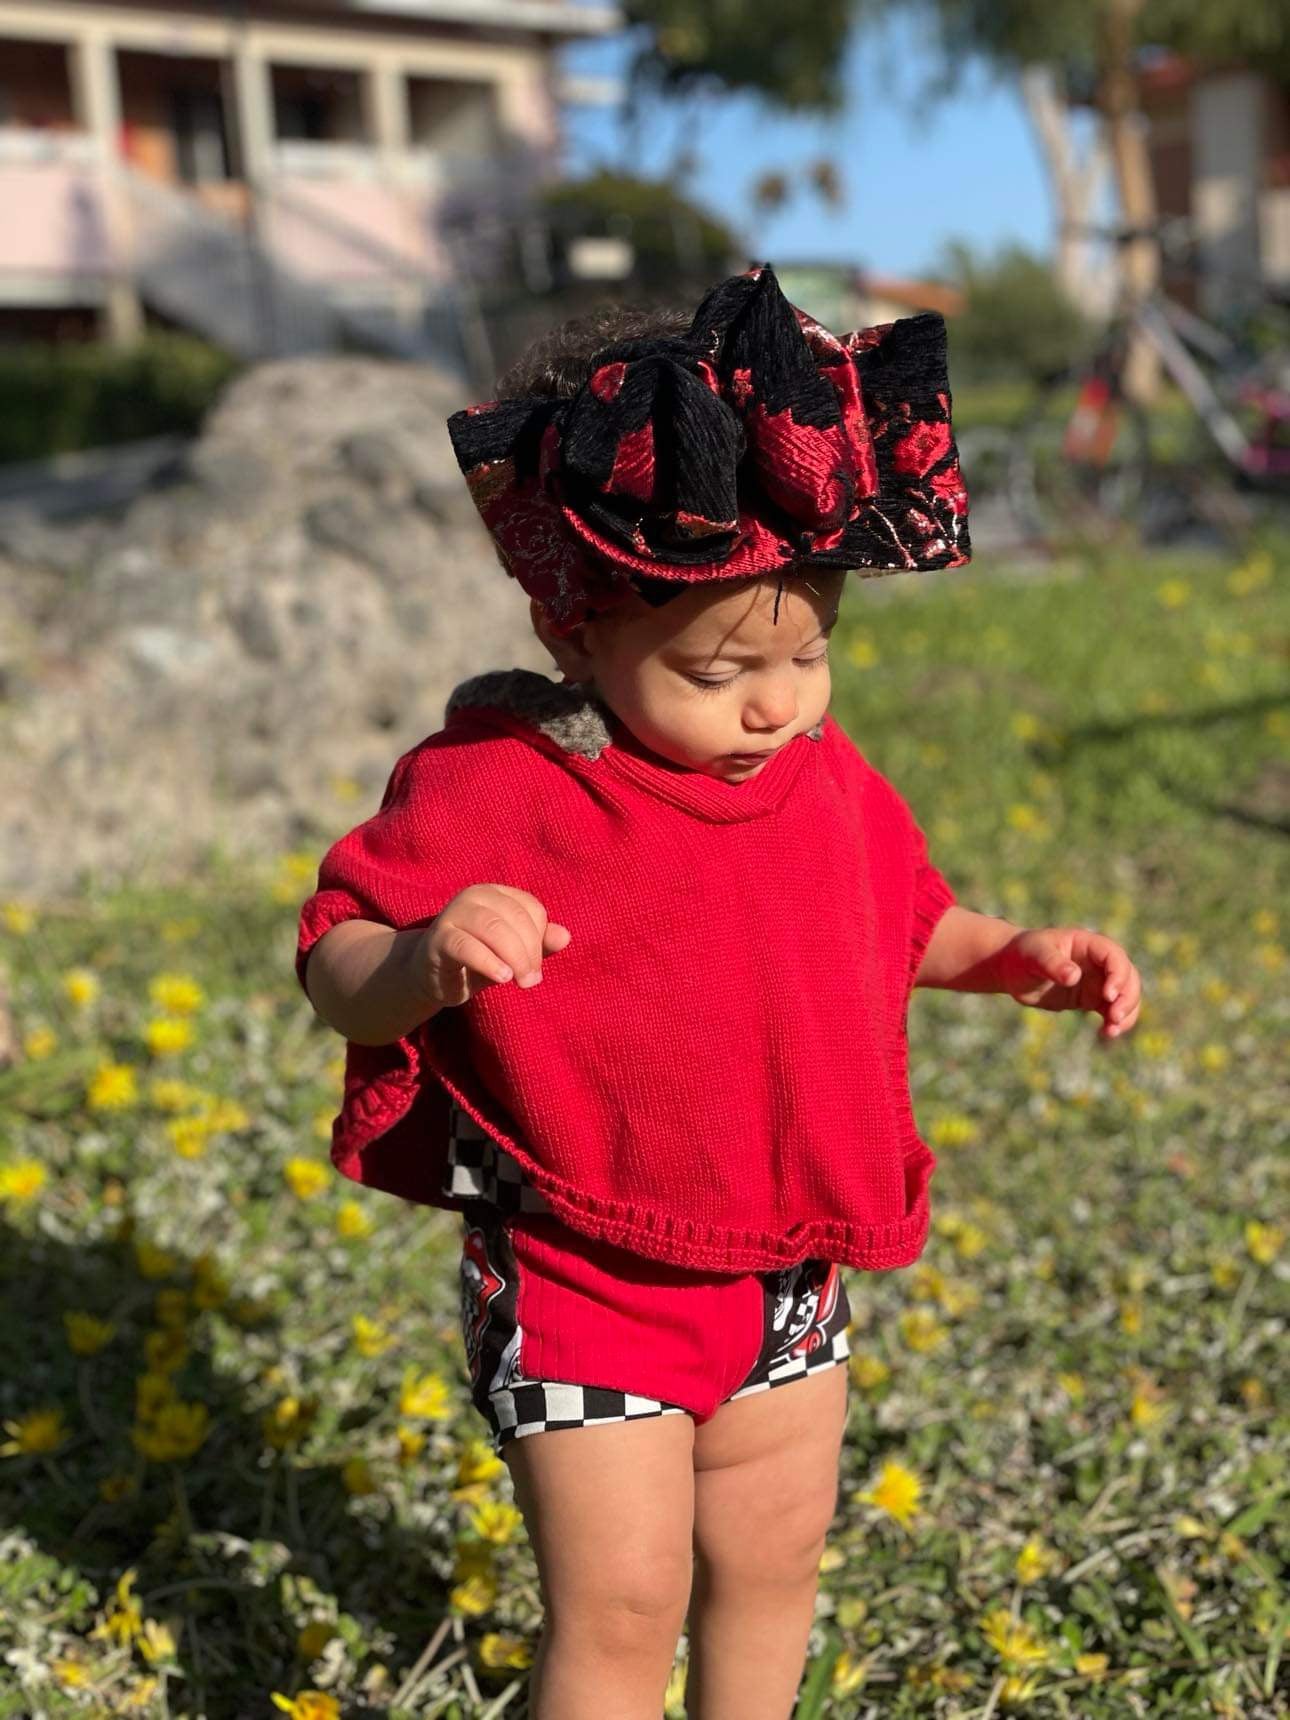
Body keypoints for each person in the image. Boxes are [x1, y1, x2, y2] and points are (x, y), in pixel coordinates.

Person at [295, 263, 1142, 1719]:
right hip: (583, 1269)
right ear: (578, 635)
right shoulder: (502, 785)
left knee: (773, 1565)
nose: (774, 704)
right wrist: (424, 954)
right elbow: (335, 965)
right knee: (621, 1612)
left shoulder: (824, 781)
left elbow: (899, 922)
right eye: (712, 671)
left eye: (807, 654)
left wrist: (1014, 959)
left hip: (783, 1268)